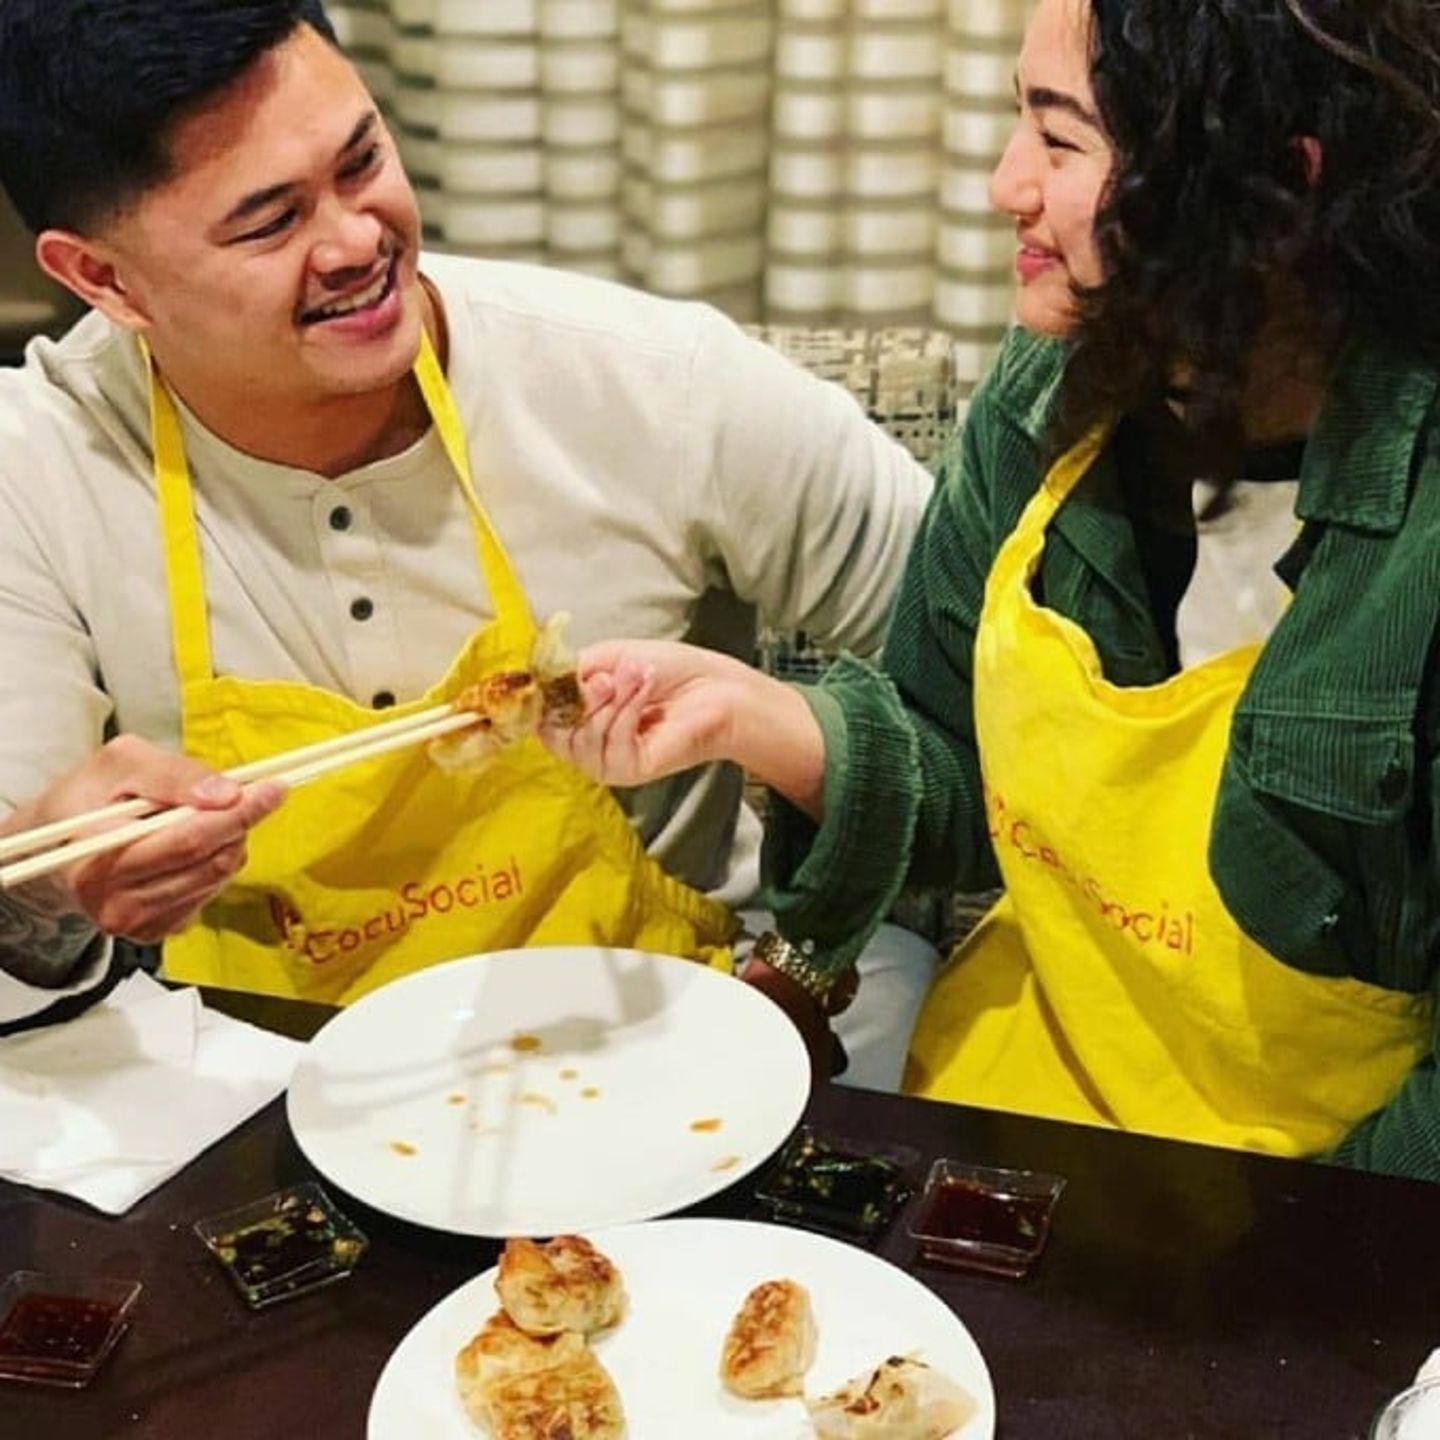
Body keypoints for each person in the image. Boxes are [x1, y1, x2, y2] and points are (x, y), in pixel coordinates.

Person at [553, 0, 1440, 1180]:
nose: (1003, 185)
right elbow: (963, 770)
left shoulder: (1414, 536)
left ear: (1278, 191)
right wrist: (752, 718)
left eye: (1061, 142)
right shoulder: (1059, 385)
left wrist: (1282, 1281)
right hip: (1027, 1111)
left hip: (1319, 1209)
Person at [0, 0, 935, 1078]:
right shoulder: (36, 468)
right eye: (269, 222)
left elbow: (992, 672)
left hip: (671, 1054)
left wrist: (808, 951)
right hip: (260, 1106)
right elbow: (21, 911)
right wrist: (51, 888)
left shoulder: (649, 382)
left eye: (363, 161)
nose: (358, 242)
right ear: (101, 279)